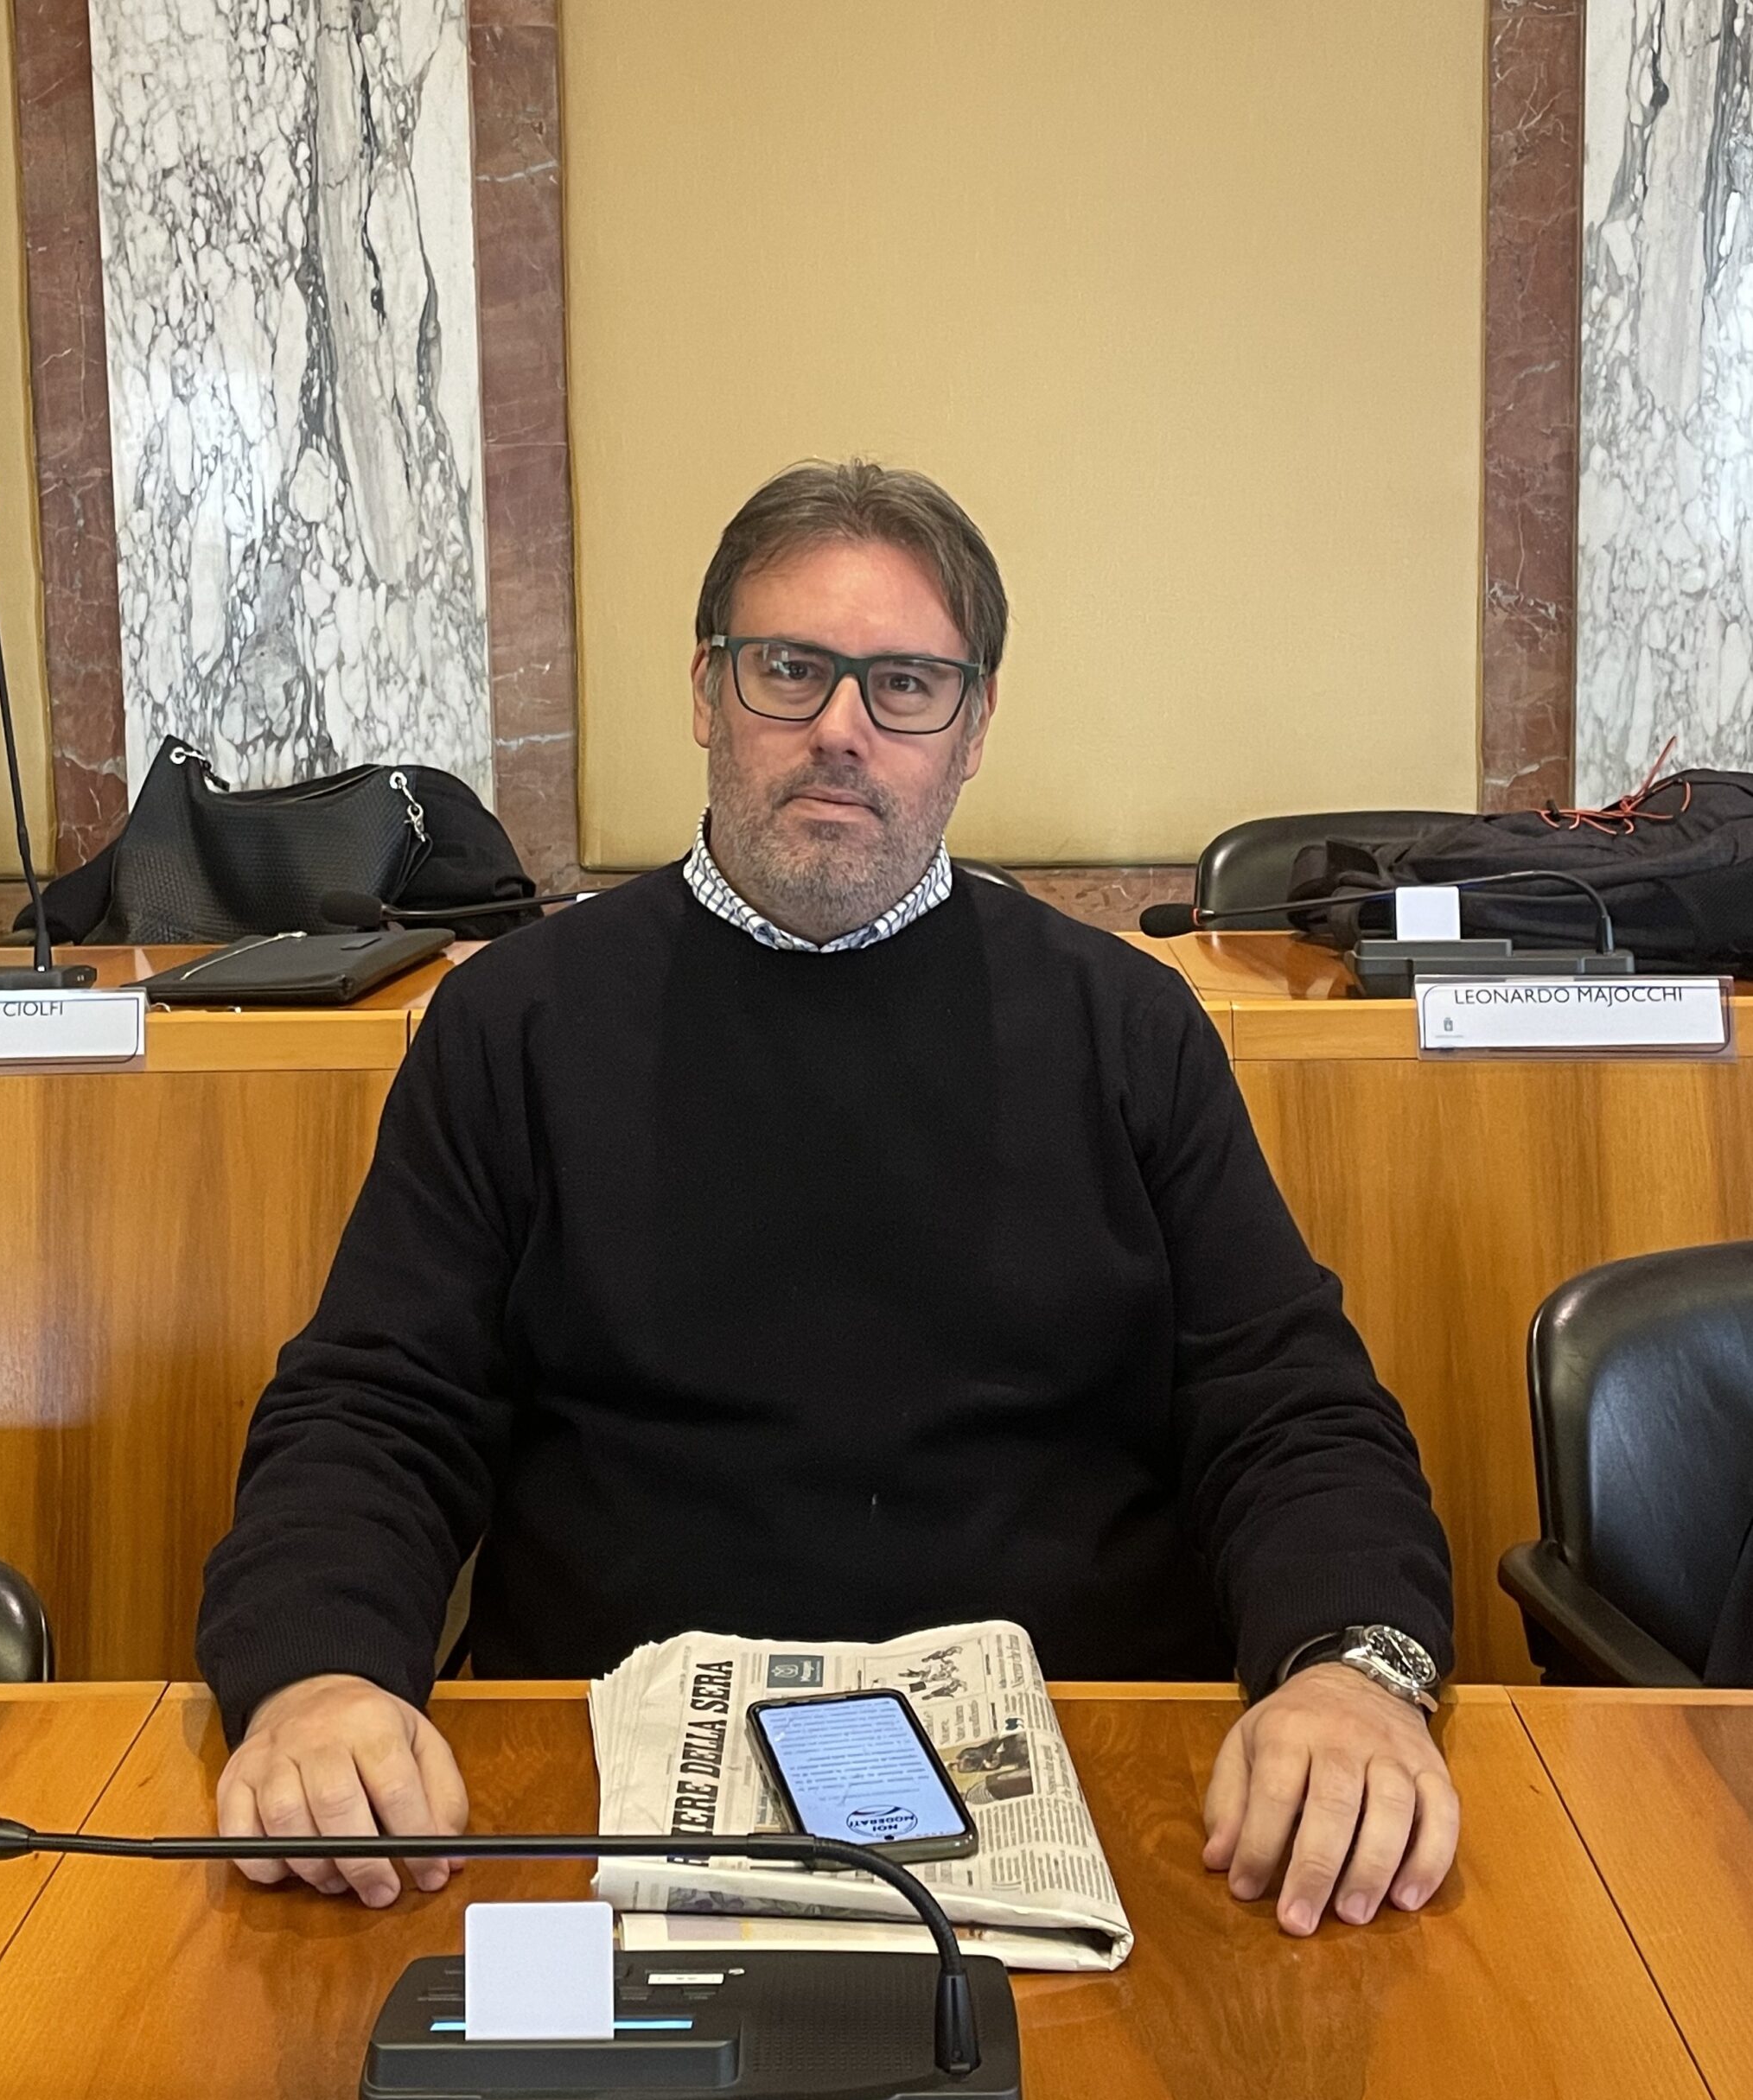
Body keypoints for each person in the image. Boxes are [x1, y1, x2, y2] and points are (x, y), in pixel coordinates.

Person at [197, 460, 1459, 1939]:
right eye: (789, 670)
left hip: (1100, 1768)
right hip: (602, 1783)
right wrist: (318, 1674)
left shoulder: (1124, 1025)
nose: (840, 729)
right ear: (706, 693)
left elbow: (1284, 1400)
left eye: (905, 685)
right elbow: (376, 1405)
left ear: (972, 727)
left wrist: (1351, 1671)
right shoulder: (515, 1022)